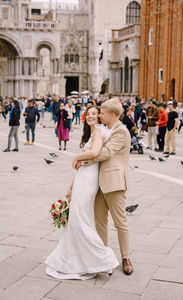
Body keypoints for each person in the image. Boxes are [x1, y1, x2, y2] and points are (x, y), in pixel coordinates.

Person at [45, 105, 119, 280]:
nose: (91, 116)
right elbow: (81, 167)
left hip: (89, 180)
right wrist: (71, 186)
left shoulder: (100, 132)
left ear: (100, 117)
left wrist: (76, 157)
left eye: (95, 114)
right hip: (82, 177)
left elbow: (94, 152)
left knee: (82, 220)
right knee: (76, 220)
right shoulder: (91, 133)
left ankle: (105, 258)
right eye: (89, 114)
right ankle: (80, 259)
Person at [78, 98, 133, 276]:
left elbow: (108, 153)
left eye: (102, 113)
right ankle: (104, 258)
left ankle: (125, 257)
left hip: (114, 182)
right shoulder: (105, 129)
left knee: (120, 222)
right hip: (98, 182)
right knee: (100, 222)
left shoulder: (121, 131)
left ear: (112, 114)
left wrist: (83, 159)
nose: (99, 115)